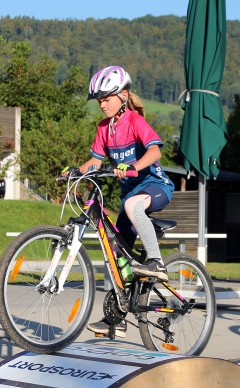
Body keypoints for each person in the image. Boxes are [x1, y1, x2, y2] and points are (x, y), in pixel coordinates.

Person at [69, 65, 175, 337]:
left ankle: (157, 263)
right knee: (117, 255)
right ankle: (117, 318)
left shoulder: (135, 121)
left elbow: (154, 152)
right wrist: (73, 172)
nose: (102, 104)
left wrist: (135, 167)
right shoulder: (104, 128)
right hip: (131, 195)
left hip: (156, 187)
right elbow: (95, 161)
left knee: (131, 205)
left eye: (107, 98)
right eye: (99, 100)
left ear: (123, 96)